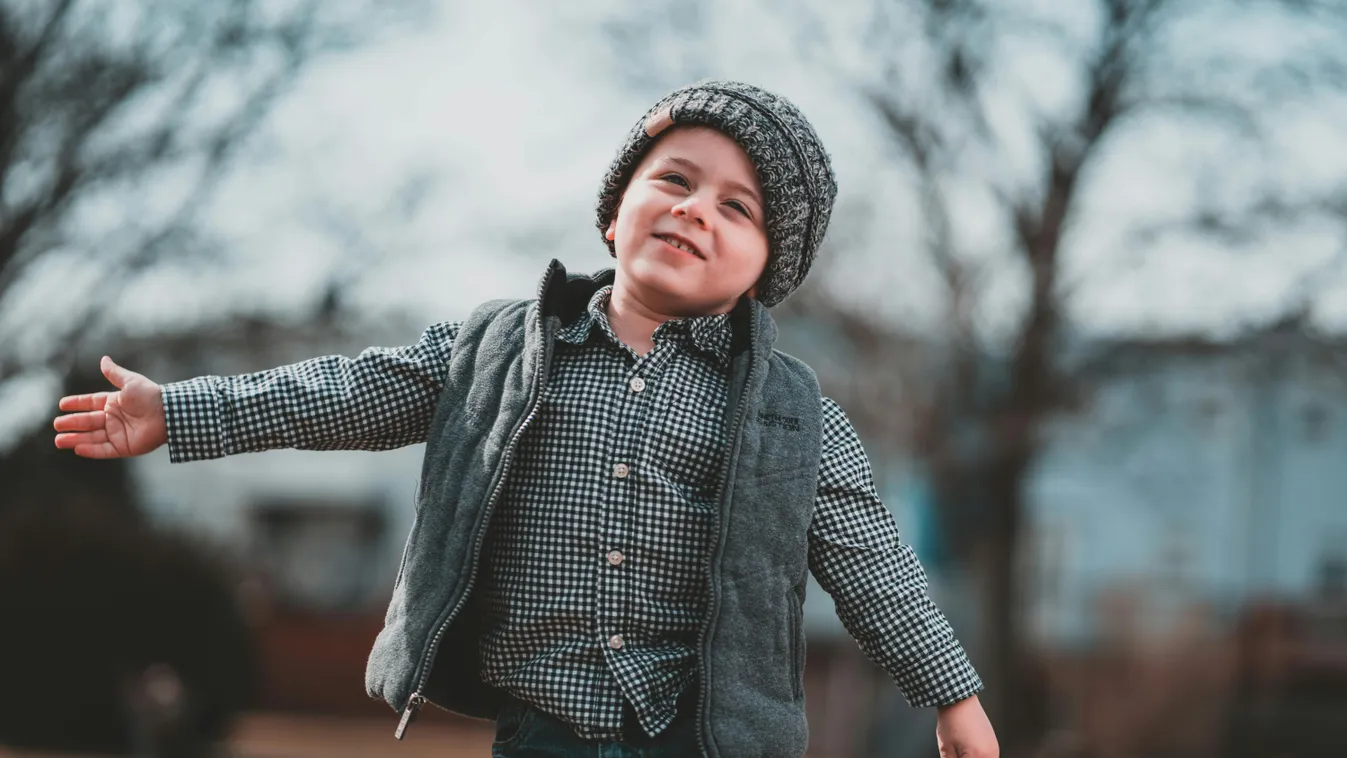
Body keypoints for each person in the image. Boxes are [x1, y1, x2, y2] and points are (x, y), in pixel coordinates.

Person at [53, 80, 998, 758]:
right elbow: (344, 391)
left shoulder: (791, 415)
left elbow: (875, 564)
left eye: (737, 207)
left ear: (765, 271)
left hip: (706, 735)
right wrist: (180, 412)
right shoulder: (496, 351)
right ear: (614, 212)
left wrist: (951, 698)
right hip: (542, 727)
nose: (696, 211)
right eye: (674, 180)